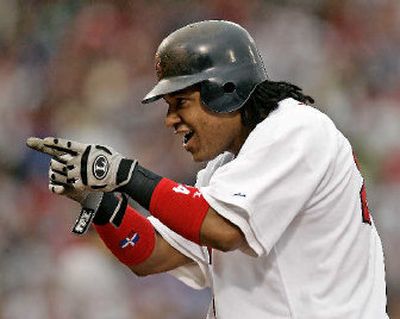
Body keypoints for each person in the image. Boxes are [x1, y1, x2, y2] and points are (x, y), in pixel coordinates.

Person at [26, 20, 388, 318]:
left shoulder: (295, 128)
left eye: (180, 102)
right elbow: (151, 254)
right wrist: (100, 201)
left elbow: (224, 229)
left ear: (225, 89)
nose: (170, 120)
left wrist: (125, 173)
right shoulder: (224, 170)